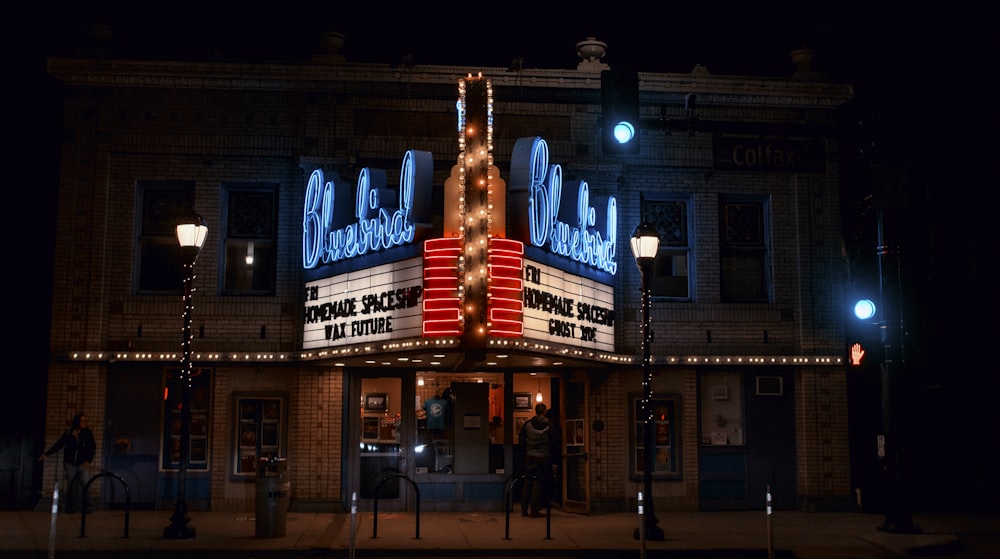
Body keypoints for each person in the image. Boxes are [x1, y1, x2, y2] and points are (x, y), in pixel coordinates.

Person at [39, 413, 97, 513]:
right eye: (82, 421)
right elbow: (60, 444)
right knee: (72, 485)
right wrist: (47, 454)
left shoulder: (88, 433)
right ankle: (72, 507)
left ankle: (88, 507)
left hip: (83, 463)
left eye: (85, 421)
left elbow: (92, 448)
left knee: (85, 484)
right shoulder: (69, 433)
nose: (84, 423)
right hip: (70, 463)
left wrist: (88, 461)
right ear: (77, 422)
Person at [518, 402, 558, 517]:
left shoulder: (528, 424)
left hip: (530, 456)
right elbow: (555, 439)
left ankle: (523, 509)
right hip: (543, 457)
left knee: (527, 481)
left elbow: (522, 440)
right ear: (544, 411)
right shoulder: (548, 425)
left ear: (536, 411)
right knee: (537, 482)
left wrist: (526, 450)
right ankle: (534, 509)